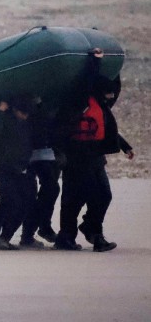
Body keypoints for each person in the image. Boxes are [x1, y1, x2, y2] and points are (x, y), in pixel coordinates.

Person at [55, 50, 134, 252]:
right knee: (77, 197)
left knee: (103, 195)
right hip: (77, 155)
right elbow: (87, 82)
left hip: (95, 155)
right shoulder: (78, 99)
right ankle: (84, 236)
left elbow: (105, 128)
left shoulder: (100, 104)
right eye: (107, 92)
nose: (111, 95)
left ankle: (87, 229)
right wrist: (95, 61)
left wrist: (125, 146)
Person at [0, 96, 32, 250]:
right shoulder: (5, 120)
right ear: (15, 110)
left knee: (22, 203)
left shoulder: (25, 123)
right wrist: (0, 111)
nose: (25, 116)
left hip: (21, 169)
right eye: (23, 113)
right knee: (11, 201)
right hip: (5, 169)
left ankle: (4, 236)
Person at [19, 96, 59, 247]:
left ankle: (41, 228)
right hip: (33, 155)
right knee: (43, 191)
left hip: (45, 152)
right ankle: (31, 233)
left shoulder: (44, 108)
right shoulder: (34, 109)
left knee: (50, 190)